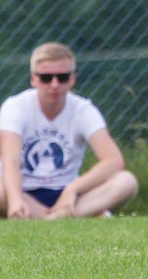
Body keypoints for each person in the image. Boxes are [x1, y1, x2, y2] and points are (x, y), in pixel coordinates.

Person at [0, 43, 138, 219]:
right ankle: (73, 216)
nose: (55, 84)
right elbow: (10, 159)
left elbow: (113, 161)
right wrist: (14, 199)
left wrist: (72, 190)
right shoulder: (15, 107)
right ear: (33, 79)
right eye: (46, 78)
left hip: (66, 193)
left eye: (62, 77)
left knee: (126, 181)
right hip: (23, 191)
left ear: (73, 79)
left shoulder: (83, 110)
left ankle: (54, 217)